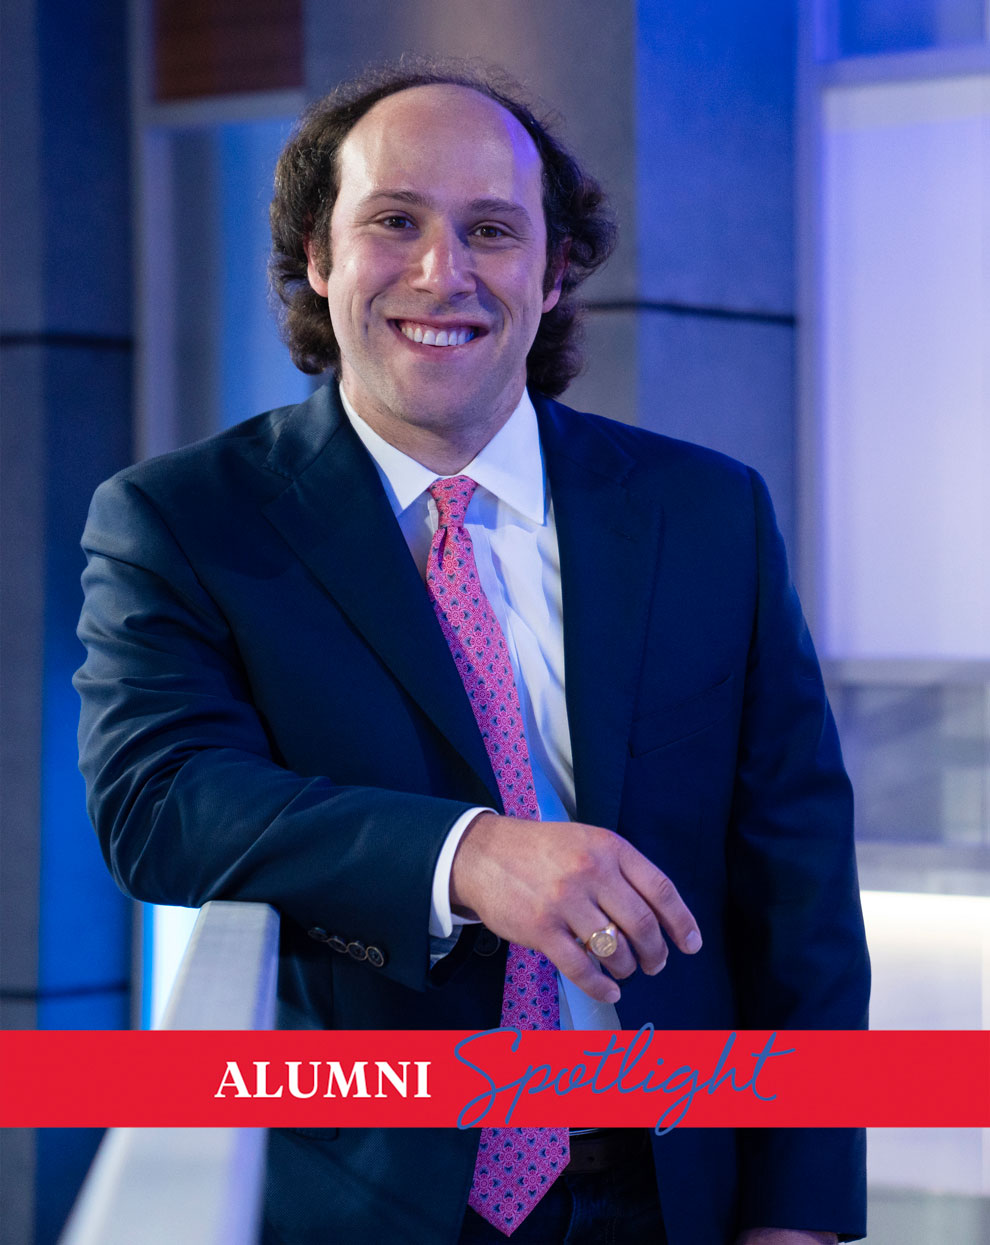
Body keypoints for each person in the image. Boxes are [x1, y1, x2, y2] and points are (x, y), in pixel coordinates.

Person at [75, 60, 869, 1245]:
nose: (443, 272)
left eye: (493, 230)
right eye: (394, 221)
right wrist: (466, 855)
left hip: (675, 1187)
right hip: (366, 1194)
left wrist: (799, 1215)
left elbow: (795, 877)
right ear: (317, 257)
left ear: (551, 276)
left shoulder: (707, 512)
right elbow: (158, 800)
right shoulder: (184, 519)